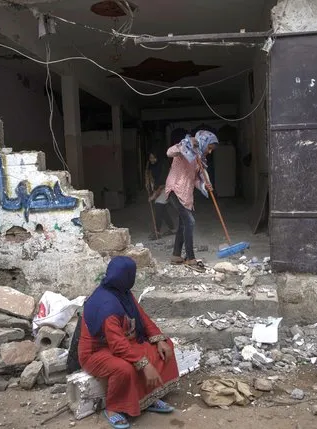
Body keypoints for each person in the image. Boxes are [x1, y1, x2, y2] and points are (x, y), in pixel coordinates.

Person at [78, 256, 179, 429]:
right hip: (96, 352)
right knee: (125, 368)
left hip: (121, 342)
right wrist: (145, 364)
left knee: (164, 346)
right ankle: (114, 408)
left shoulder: (122, 292)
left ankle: (148, 398)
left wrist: (158, 338)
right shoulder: (107, 305)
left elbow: (142, 317)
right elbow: (117, 345)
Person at [165, 130, 219, 271]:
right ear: (203, 142)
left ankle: (176, 255)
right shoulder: (185, 148)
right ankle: (190, 258)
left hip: (186, 195)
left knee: (183, 224)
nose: (210, 151)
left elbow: (194, 179)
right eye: (209, 148)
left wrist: (204, 184)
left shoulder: (198, 158)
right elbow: (169, 152)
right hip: (175, 189)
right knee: (190, 221)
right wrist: (185, 144)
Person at [145, 152, 175, 239]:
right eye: (150, 158)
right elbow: (149, 176)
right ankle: (172, 228)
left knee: (158, 206)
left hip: (167, 188)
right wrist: (147, 182)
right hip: (160, 188)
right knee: (163, 209)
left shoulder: (163, 167)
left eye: (153, 158)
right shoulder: (152, 166)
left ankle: (157, 232)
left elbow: (161, 184)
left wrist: (153, 196)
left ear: (158, 158)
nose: (152, 160)